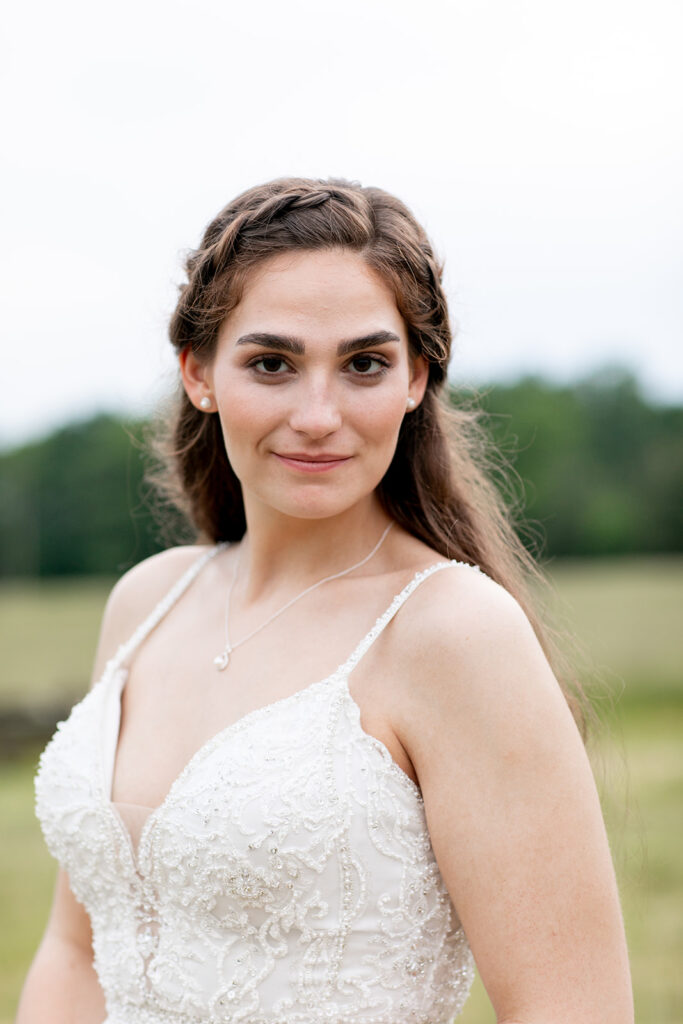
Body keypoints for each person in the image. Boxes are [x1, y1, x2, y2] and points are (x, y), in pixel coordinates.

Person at [18, 177, 633, 1024]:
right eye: (271, 363)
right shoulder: (147, 602)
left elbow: (573, 1007)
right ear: (199, 374)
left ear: (416, 379)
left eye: (364, 364)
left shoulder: (452, 632)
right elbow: (77, 952)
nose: (318, 414)